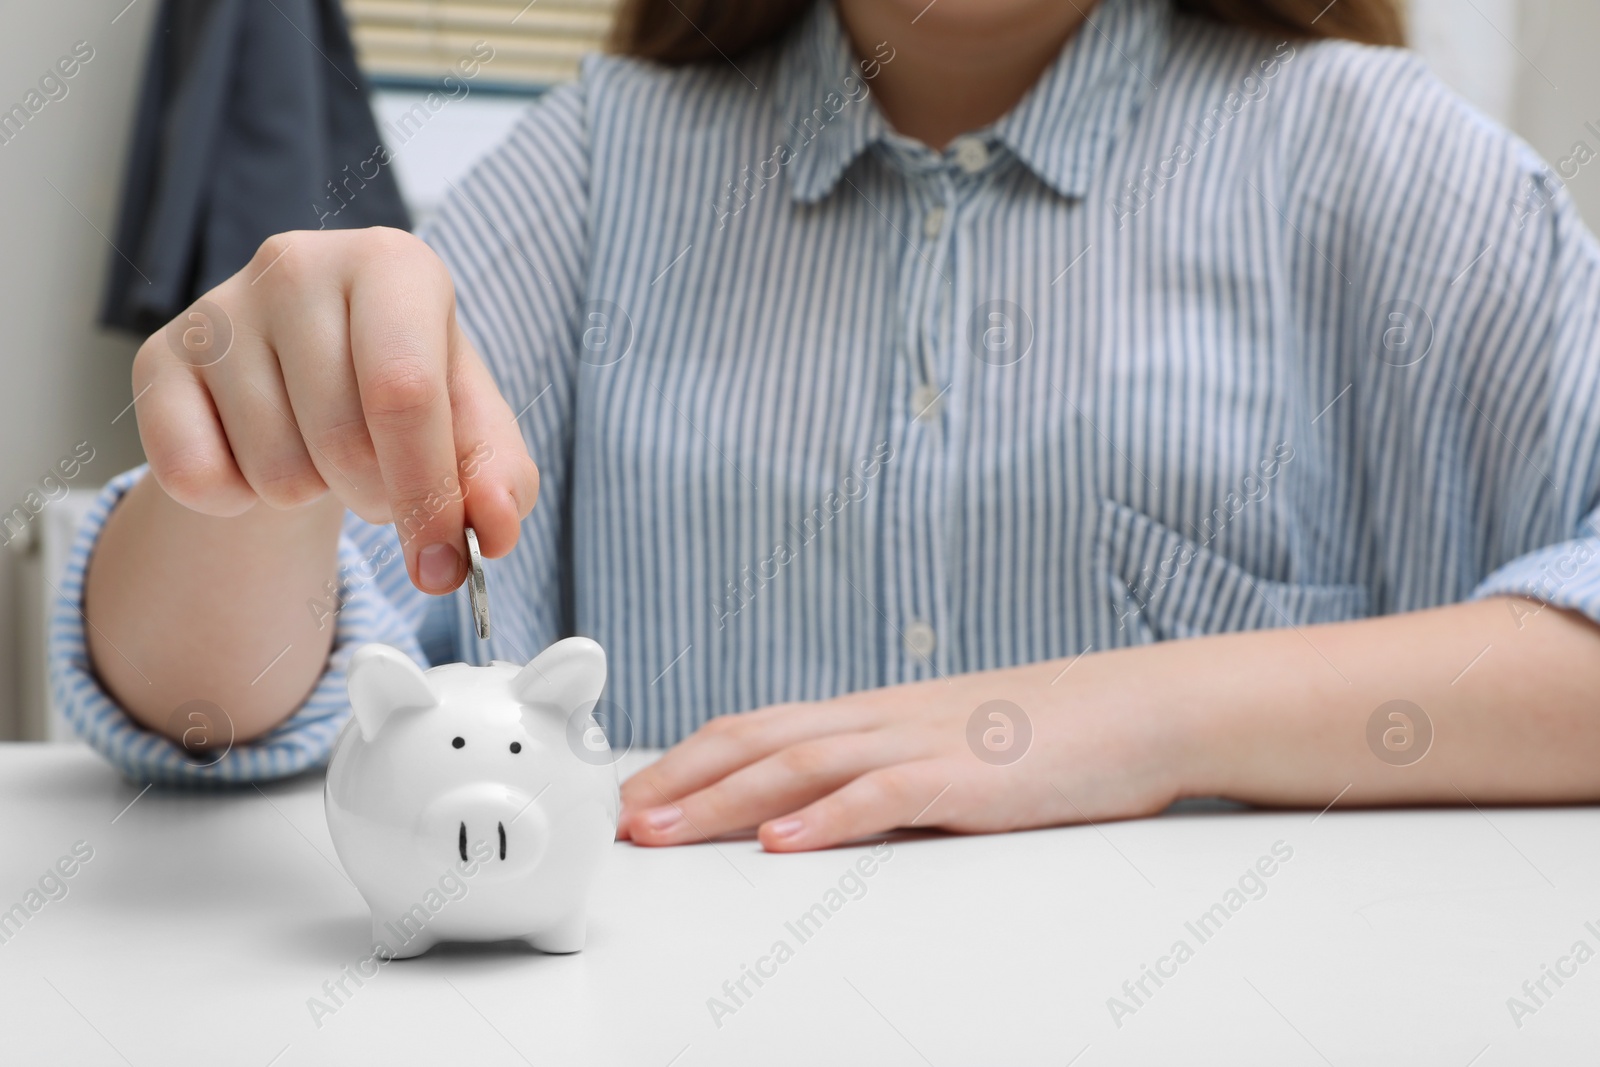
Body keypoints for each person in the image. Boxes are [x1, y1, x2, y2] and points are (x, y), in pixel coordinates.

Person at [54, 0, 1600, 851]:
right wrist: (244, 476)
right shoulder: (604, 167)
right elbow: (205, 705)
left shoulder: (1393, 170)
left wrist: (1143, 715)